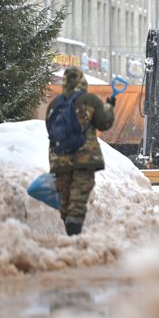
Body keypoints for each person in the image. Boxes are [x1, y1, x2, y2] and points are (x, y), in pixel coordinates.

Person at [46, 67, 115, 236]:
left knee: (66, 199)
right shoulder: (89, 100)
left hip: (60, 159)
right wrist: (109, 106)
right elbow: (103, 123)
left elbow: (50, 129)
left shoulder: (54, 104)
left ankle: (68, 233)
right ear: (82, 81)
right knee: (78, 198)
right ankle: (74, 236)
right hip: (83, 157)